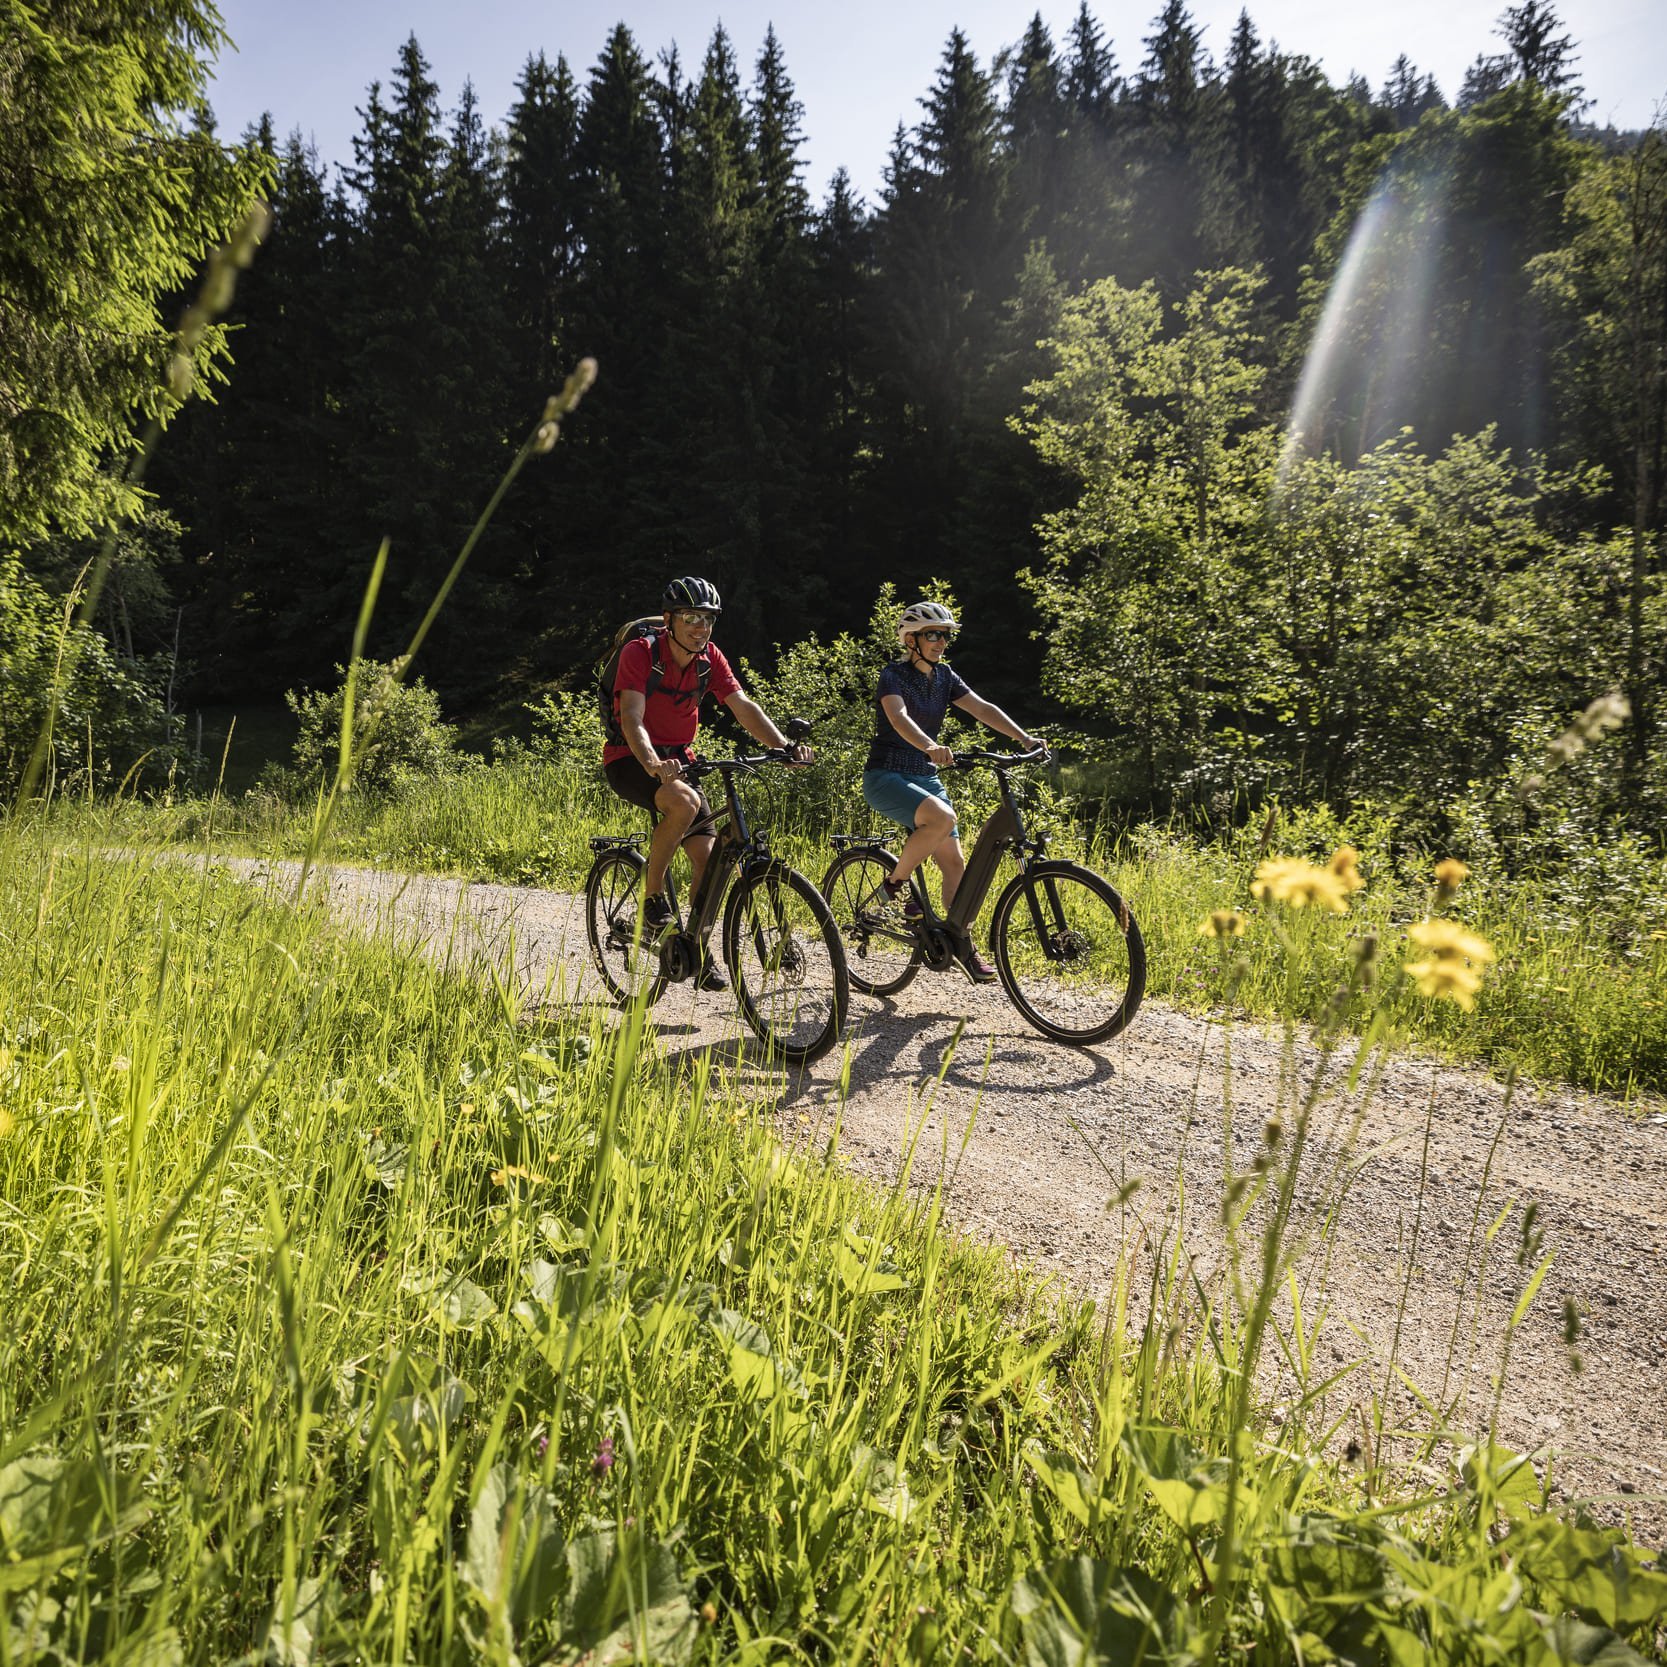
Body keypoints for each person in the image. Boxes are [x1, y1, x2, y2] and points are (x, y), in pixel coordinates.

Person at [603, 576, 809, 990]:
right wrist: (653, 763)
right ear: (668, 620)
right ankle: (652, 899)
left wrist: (784, 746)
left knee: (710, 859)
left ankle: (696, 946)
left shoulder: (709, 659)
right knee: (683, 802)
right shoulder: (640, 653)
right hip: (630, 757)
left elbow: (742, 705)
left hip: (681, 759)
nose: (701, 627)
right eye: (691, 618)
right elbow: (632, 718)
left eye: (708, 619)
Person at [862, 600, 1043, 982]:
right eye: (933, 634)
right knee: (943, 818)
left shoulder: (945, 676)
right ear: (911, 639)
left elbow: (982, 708)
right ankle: (894, 885)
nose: (941, 642)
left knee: (955, 866)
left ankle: (962, 944)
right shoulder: (893, 675)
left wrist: (1024, 738)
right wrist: (930, 746)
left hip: (925, 777)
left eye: (945, 636)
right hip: (886, 776)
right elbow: (898, 717)